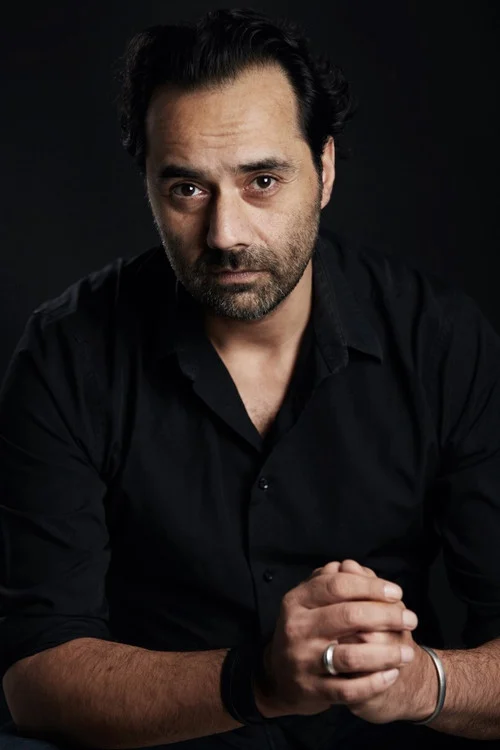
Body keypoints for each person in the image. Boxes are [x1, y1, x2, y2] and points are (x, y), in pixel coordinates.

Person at [1, 7, 500, 749]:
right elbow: (34, 677)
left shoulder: (442, 341)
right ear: (148, 186)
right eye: (187, 190)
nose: (227, 234)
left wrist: (417, 683)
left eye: (262, 180)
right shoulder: (67, 352)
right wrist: (259, 683)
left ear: (325, 170)